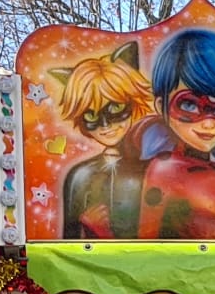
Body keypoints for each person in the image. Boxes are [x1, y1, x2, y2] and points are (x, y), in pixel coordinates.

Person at [134, 29, 215, 240]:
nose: (209, 124)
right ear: (160, 105)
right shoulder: (165, 171)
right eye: (189, 104)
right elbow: (149, 239)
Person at [53, 42, 154, 238]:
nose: (106, 125)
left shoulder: (154, 168)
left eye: (115, 109)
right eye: (91, 116)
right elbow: (67, 245)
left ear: (134, 103)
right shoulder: (80, 175)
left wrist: (102, 231)